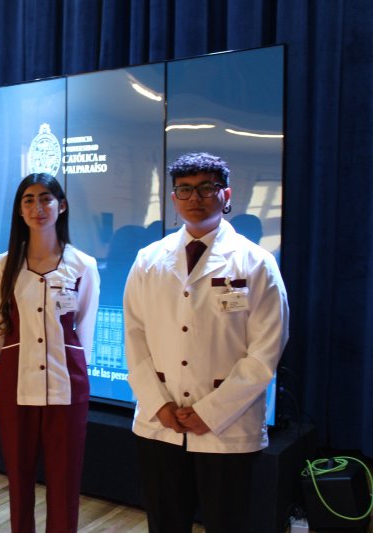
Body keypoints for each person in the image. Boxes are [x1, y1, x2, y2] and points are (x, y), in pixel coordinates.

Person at [123, 152, 289, 533]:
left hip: (228, 429)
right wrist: (158, 404)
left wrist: (211, 412)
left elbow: (265, 352)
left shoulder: (256, 263)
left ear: (226, 195)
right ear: (173, 198)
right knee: (165, 524)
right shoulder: (149, 260)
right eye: (184, 189)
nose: (194, 197)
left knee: (227, 523)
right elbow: (134, 336)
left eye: (206, 188)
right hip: (160, 423)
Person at [0, 173, 100, 533]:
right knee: (18, 476)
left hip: (67, 383)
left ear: (61, 206)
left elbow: (84, 330)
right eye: (28, 200)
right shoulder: (4, 264)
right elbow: (2, 326)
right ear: (20, 210)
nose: (37, 208)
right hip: (15, 381)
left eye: (45, 199)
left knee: (64, 479)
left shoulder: (82, 264)